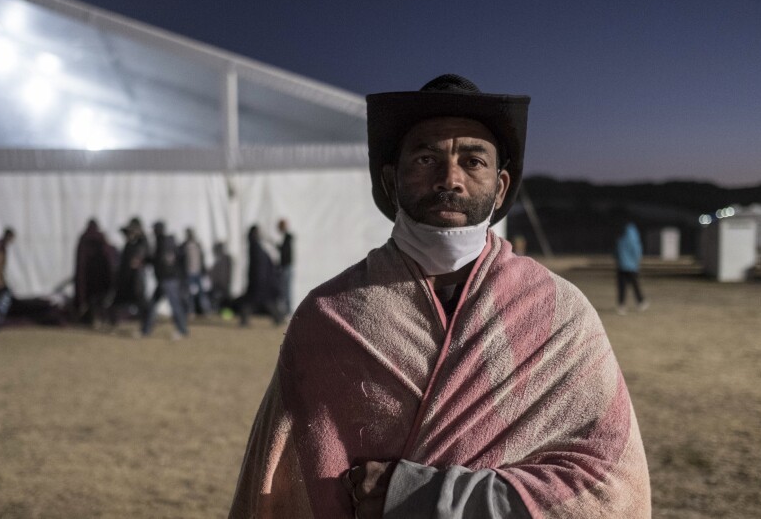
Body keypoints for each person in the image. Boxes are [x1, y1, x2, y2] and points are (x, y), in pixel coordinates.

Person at [230, 75, 650, 518]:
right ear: (391, 180)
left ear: (501, 187)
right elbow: (278, 487)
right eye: (427, 158)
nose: (450, 179)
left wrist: (418, 495)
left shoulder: (559, 313)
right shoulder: (329, 316)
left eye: (473, 161)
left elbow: (610, 489)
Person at [142, 221, 188, 339]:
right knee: (153, 304)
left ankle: (182, 330)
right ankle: (146, 330)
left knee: (174, 305)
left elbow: (161, 261)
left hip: (167, 279)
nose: (153, 232)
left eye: (154, 229)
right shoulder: (167, 242)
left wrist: (147, 260)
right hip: (166, 279)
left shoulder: (162, 242)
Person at [73, 219, 116, 327]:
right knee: (101, 300)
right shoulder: (102, 239)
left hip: (89, 279)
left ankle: (95, 320)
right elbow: (109, 258)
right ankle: (101, 319)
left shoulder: (84, 240)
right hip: (101, 277)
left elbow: (80, 263)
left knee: (92, 300)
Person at [238, 225, 283, 326]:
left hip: (259, 280)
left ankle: (278, 318)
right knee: (263, 301)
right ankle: (278, 318)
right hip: (261, 280)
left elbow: (259, 266)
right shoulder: (256, 247)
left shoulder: (255, 247)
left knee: (253, 301)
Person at [109, 218, 149, 328]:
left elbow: (144, 252)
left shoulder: (140, 243)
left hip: (135, 280)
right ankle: (113, 322)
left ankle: (146, 326)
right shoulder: (130, 244)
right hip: (125, 279)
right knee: (117, 302)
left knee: (141, 303)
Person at [615, 222, 648, 315]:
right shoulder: (635, 241)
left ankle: (621, 305)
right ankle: (641, 302)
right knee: (635, 285)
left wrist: (619, 261)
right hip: (632, 267)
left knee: (622, 287)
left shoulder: (620, 240)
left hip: (621, 266)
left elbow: (616, 252)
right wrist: (636, 262)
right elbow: (637, 253)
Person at [180, 228, 211, 316]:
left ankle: (206, 310)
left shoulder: (197, 245)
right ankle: (191, 311)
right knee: (189, 294)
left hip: (197, 272)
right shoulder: (184, 246)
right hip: (189, 273)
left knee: (201, 293)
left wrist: (203, 270)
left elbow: (202, 258)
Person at [276, 219, 295, 315]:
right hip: (286, 267)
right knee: (285, 290)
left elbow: (285, 253)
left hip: (286, 268)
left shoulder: (288, 238)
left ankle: (287, 311)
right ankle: (286, 310)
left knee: (285, 290)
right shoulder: (286, 238)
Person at [209, 241, 233, 313]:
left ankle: (226, 312)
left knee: (225, 300)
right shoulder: (220, 260)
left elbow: (225, 272)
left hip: (223, 283)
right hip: (221, 283)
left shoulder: (225, 259)